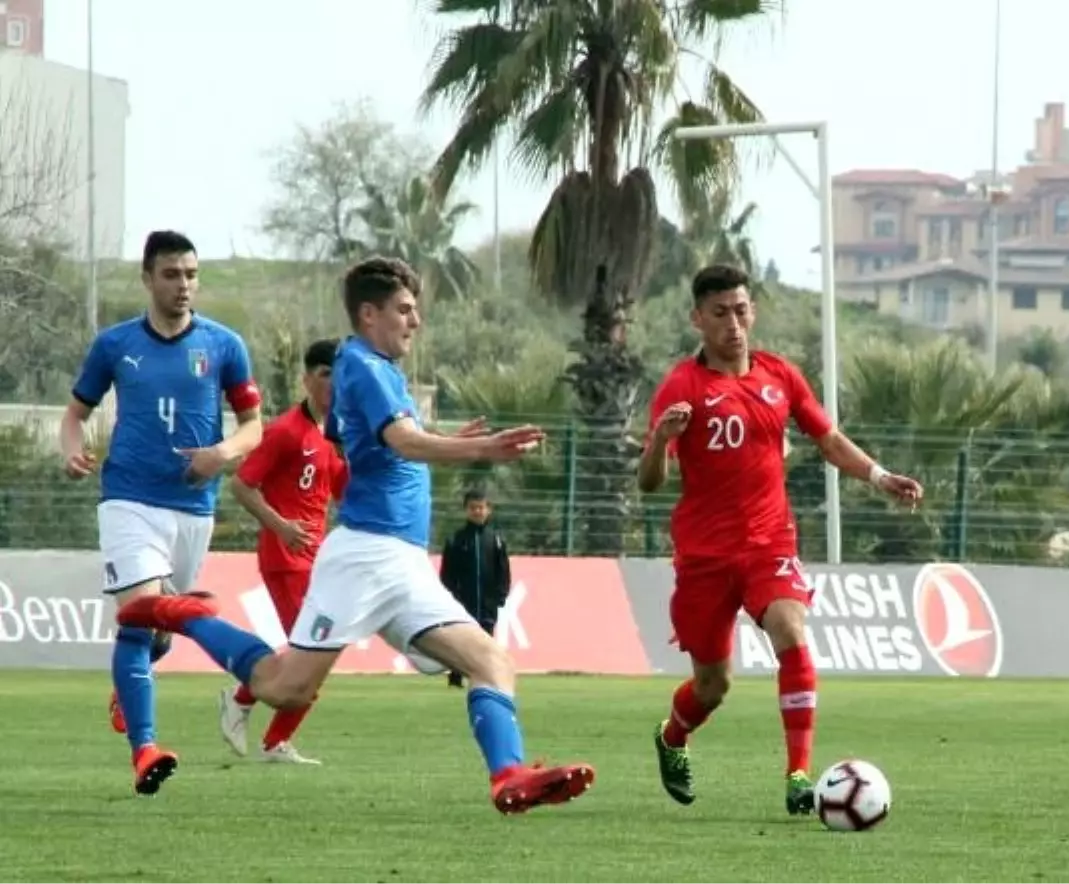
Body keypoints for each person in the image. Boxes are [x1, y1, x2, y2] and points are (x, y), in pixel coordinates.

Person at [114, 256, 596, 815]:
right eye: (405, 310)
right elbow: (403, 443)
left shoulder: (377, 369)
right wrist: (478, 448)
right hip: (364, 556)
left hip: (405, 564)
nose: (415, 321)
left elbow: (384, 448)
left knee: (492, 662)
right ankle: (185, 615)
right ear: (370, 314)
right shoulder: (362, 364)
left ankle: (508, 776)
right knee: (283, 687)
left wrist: (438, 440)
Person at [637, 264, 923, 817]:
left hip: (770, 543)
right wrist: (659, 442)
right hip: (704, 557)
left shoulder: (781, 377)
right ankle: (673, 736)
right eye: (719, 313)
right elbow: (650, 484)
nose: (733, 323)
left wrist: (880, 476)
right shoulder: (682, 388)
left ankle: (798, 775)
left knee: (791, 632)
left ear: (753, 312)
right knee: (712, 686)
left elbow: (829, 438)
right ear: (698, 319)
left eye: (741, 310)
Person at [60, 230, 264, 796]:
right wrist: (70, 448)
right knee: (145, 612)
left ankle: (128, 684)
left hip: (194, 510)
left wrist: (221, 454)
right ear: (147, 279)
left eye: (192, 274)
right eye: (172, 274)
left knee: (160, 635)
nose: (184, 285)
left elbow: (254, 427)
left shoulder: (224, 346)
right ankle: (145, 749)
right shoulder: (115, 344)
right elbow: (75, 413)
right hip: (128, 499)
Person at [217, 338, 346, 764]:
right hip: (285, 558)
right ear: (307, 379)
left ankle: (260, 723)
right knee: (314, 654)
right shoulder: (287, 431)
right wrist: (282, 526)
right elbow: (240, 484)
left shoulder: (335, 435)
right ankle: (246, 708)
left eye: (339, 374)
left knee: (313, 652)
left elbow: (343, 496)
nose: (332, 382)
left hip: (316, 560)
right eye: (324, 373)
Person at [440, 489, 512, 689]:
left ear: (488, 510)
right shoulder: (456, 540)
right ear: (466, 510)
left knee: (486, 640)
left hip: (487, 602)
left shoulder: (495, 540)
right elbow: (447, 572)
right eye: (473, 508)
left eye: (481, 507)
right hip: (463, 601)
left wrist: (501, 594)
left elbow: (503, 570)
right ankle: (455, 677)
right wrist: (450, 595)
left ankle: (485, 677)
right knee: (460, 640)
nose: (477, 512)